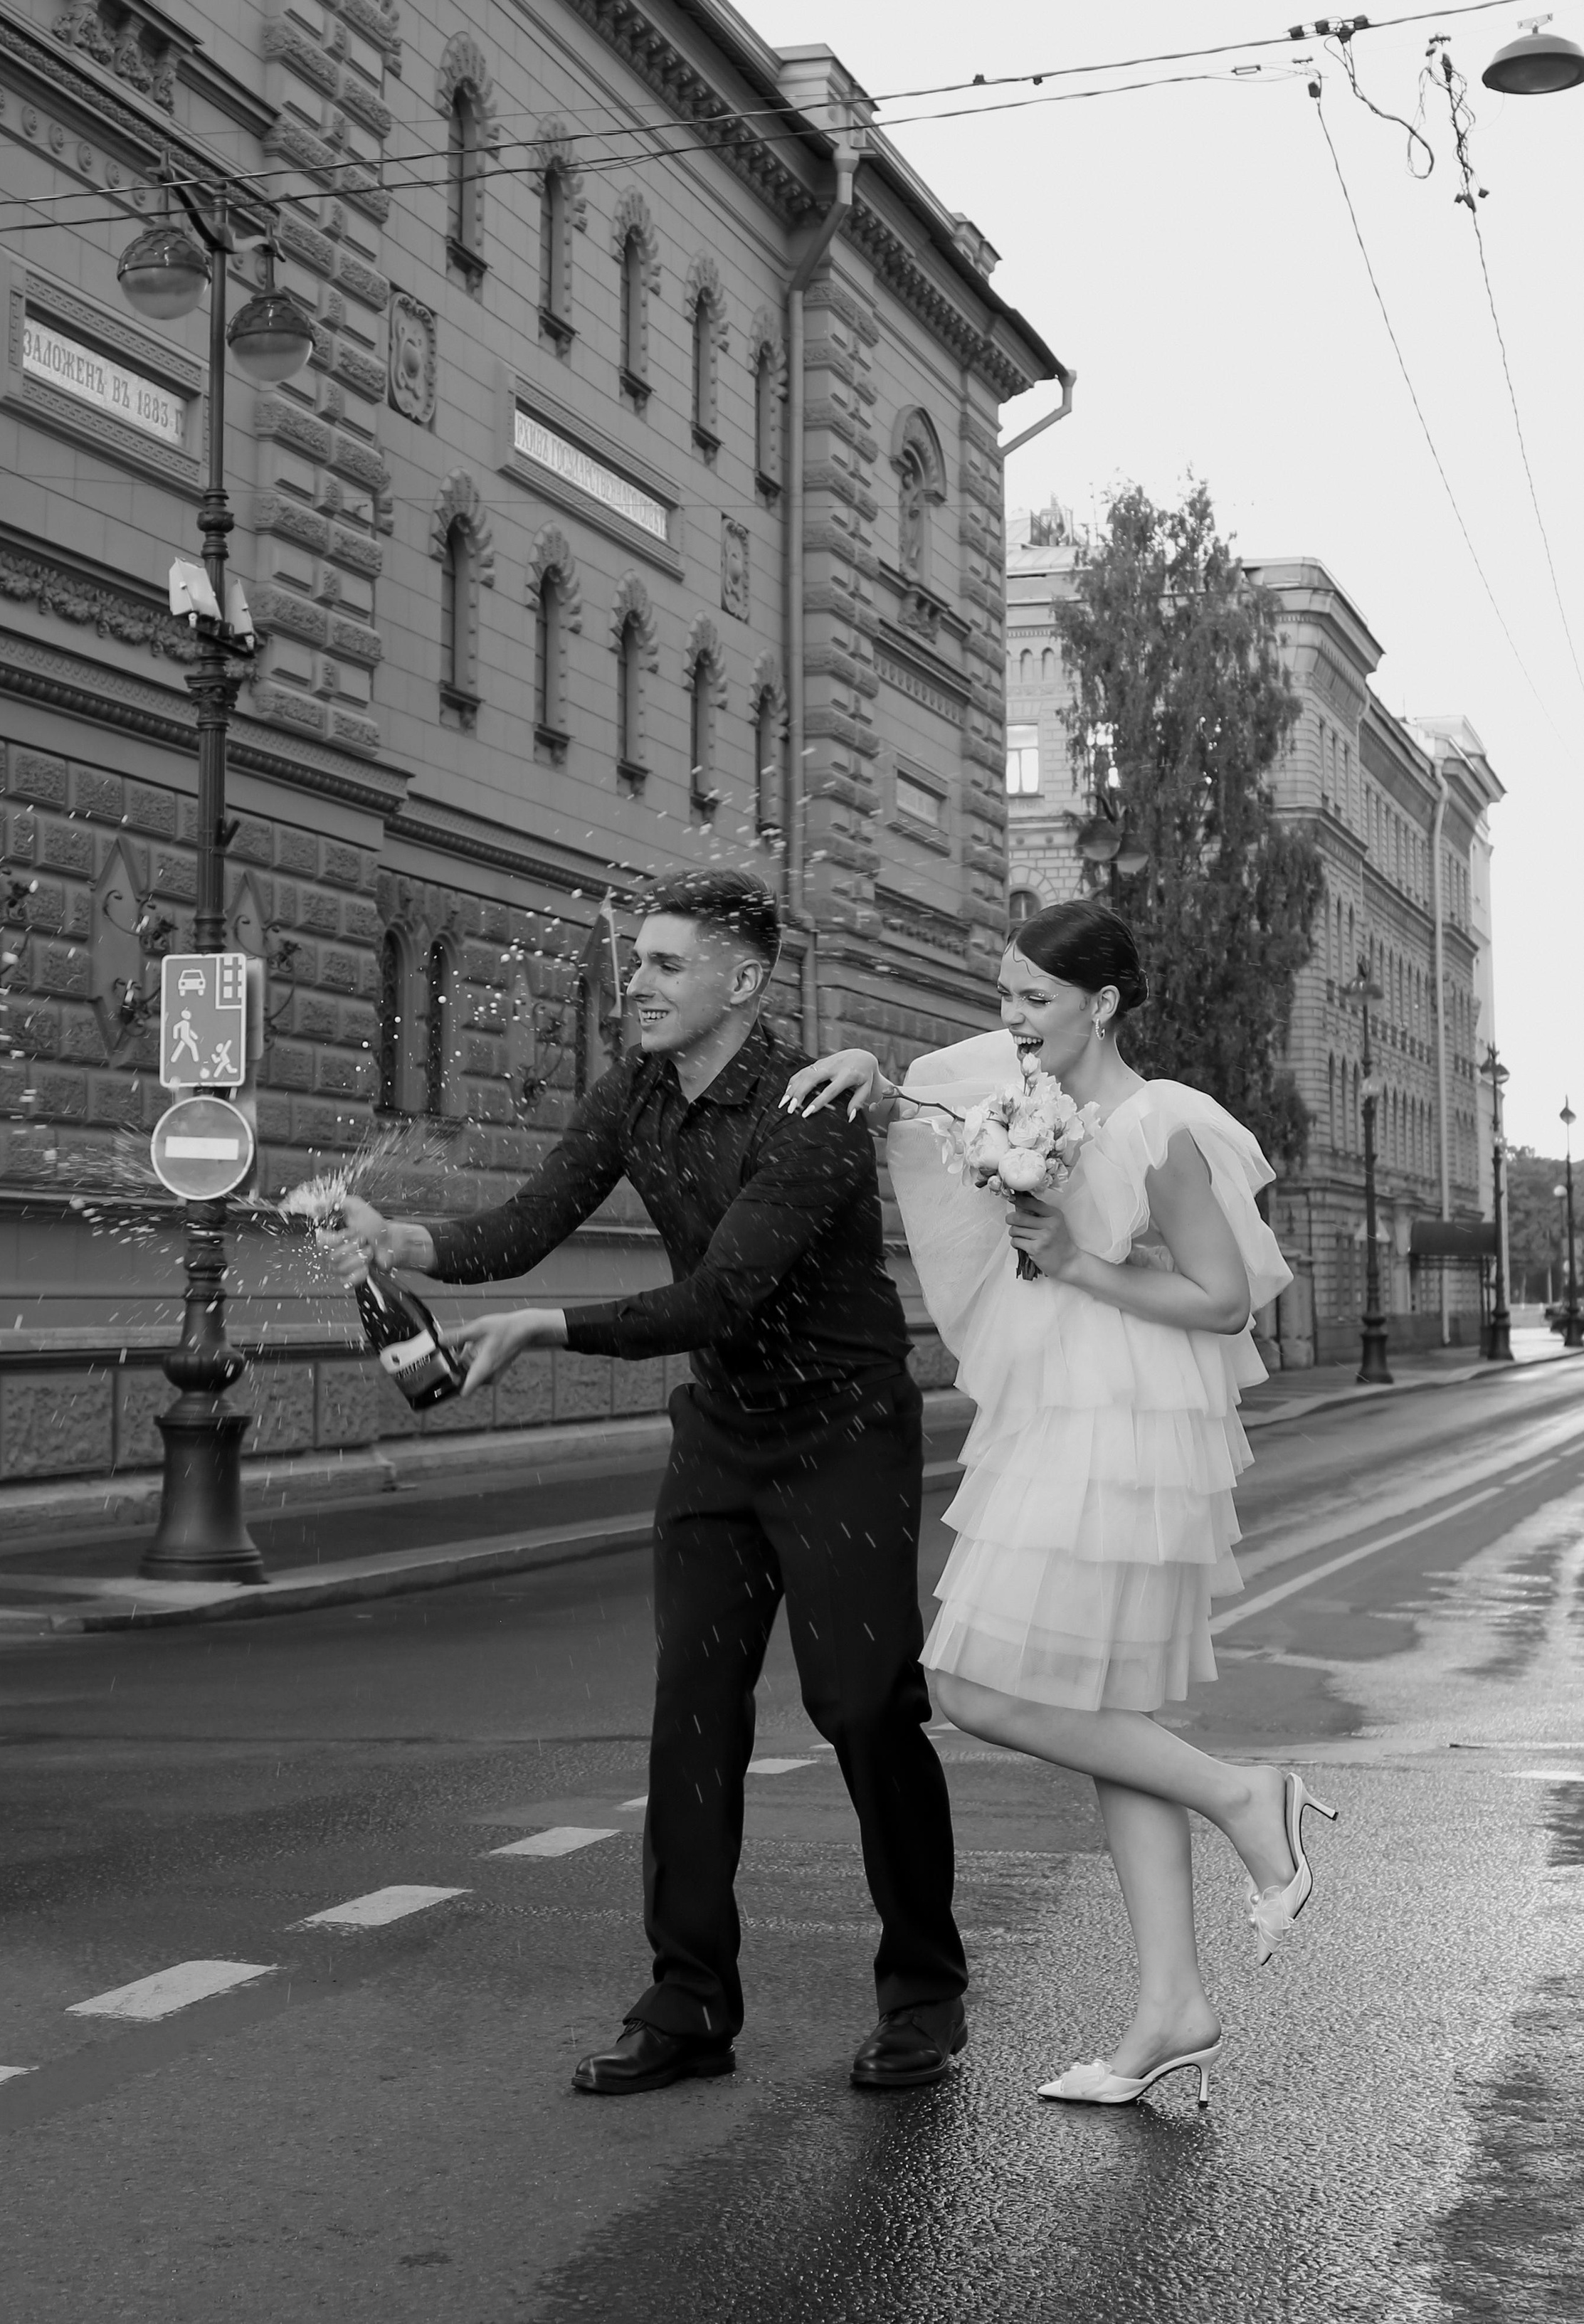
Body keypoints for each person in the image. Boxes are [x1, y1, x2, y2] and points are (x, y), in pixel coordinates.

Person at [325, 870, 968, 2096]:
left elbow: (721, 1294)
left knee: (864, 1708)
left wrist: (543, 1330)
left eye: (672, 964)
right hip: (724, 1437)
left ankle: (926, 1991)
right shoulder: (632, 1093)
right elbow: (525, 1225)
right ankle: (688, 2002)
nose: (643, 982)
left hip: (843, 1433)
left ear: (746, 979)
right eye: (641, 961)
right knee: (692, 1715)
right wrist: (409, 1245)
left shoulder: (811, 1108)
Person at [784, 899, 1335, 2110]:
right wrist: (873, 1071)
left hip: (1119, 1427)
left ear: (1105, 1004)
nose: (1013, 1022)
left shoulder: (1164, 1124)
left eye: (1034, 1000)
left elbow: (1227, 1300)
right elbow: (919, 1104)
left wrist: (1081, 1263)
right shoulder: (1015, 1093)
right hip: (1050, 1411)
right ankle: (1172, 2005)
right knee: (1105, 1710)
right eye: (1003, 997)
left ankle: (1253, 1800)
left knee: (978, 1684)